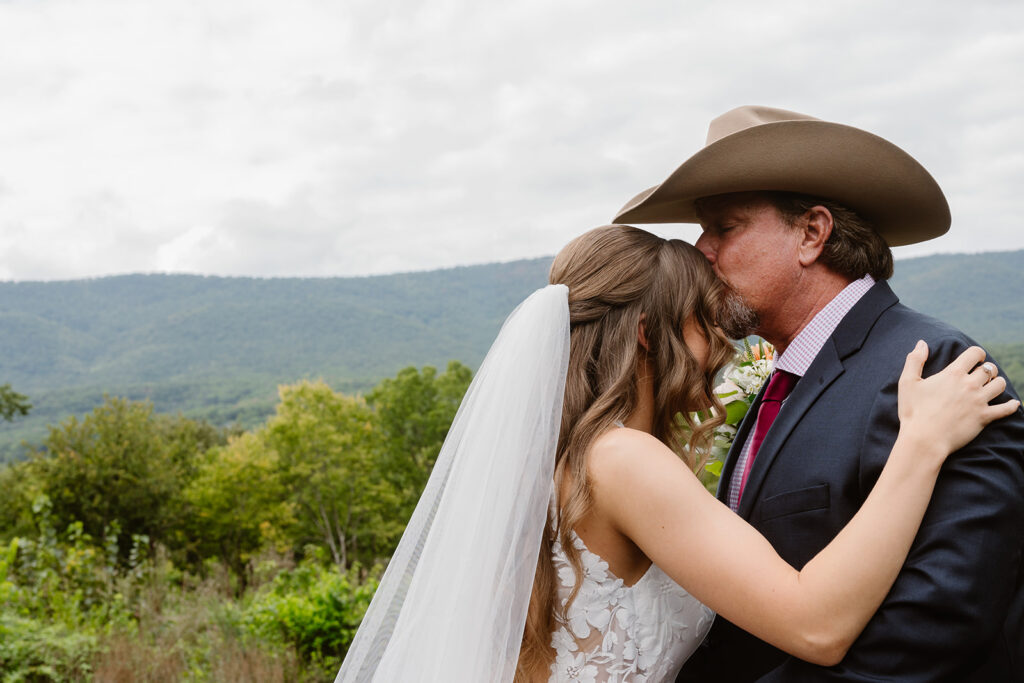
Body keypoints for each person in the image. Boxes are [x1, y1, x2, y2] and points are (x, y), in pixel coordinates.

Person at [335, 225, 1017, 683]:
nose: (719, 342)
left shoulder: (572, 456)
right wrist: (920, 445)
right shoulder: (622, 460)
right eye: (700, 319)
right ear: (643, 332)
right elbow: (815, 622)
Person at [613, 105, 1024, 681]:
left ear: (811, 233)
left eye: (723, 227)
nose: (700, 250)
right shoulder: (780, 382)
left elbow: (939, 619)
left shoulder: (938, 370)